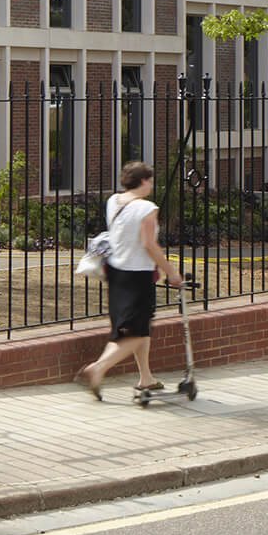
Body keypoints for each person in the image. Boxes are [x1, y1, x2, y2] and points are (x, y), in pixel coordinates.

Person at [75, 161, 184, 400]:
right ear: (143, 181)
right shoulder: (147, 208)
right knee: (133, 333)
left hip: (115, 272)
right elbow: (149, 244)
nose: (152, 185)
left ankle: (146, 378)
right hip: (138, 276)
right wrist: (171, 271)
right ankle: (98, 369)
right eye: (151, 180)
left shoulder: (114, 201)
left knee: (136, 328)